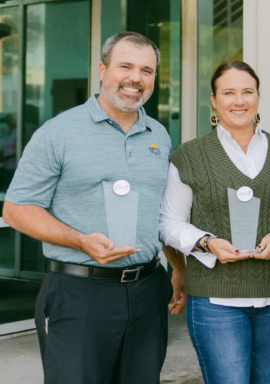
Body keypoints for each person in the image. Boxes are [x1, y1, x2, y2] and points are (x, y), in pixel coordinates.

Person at [2, 31, 171, 384]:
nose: (135, 79)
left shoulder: (159, 134)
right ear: (102, 69)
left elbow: (161, 212)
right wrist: (81, 241)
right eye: (125, 66)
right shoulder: (58, 133)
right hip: (79, 292)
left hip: (148, 289)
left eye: (147, 70)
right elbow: (16, 209)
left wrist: (179, 268)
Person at [158, 61, 270, 384]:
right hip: (215, 302)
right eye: (228, 92)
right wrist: (207, 242)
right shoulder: (189, 156)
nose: (239, 101)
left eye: (247, 92)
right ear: (214, 100)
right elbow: (169, 222)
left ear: (258, 97)